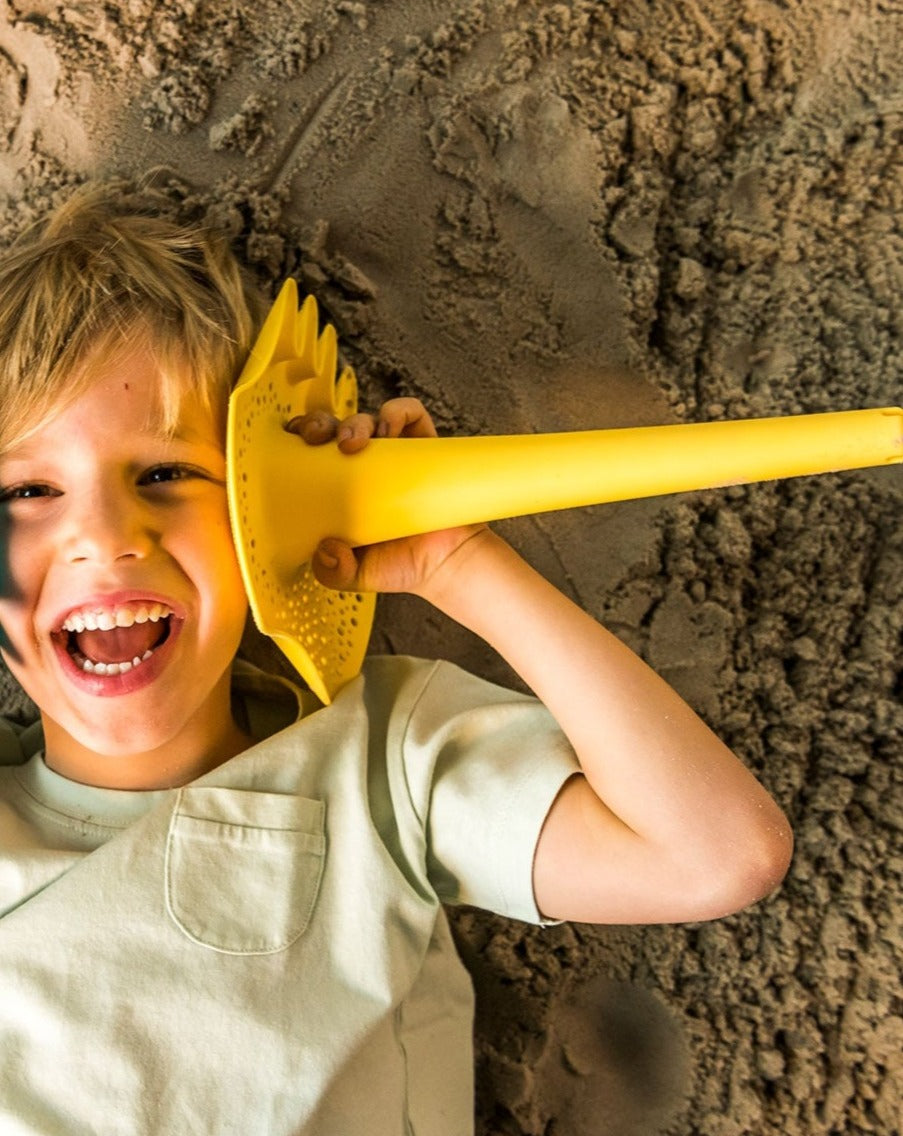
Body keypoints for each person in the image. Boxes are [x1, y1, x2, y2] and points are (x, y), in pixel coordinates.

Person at [0, 181, 792, 1135]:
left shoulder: (385, 754)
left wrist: (458, 563)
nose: (104, 535)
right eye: (28, 488)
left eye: (166, 473)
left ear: (266, 503)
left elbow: (716, 857)